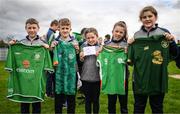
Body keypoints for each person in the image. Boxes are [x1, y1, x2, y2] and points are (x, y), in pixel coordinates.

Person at [127, 6, 179, 114]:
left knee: (157, 108)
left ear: (155, 17)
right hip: (140, 79)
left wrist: (172, 41)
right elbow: (130, 60)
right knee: (138, 108)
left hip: (157, 78)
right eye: (144, 17)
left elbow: (175, 53)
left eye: (150, 16)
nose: (147, 19)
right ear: (141, 19)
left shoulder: (164, 33)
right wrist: (130, 45)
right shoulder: (136, 36)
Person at [6, 18, 53, 113]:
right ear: (26, 29)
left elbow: (49, 57)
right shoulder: (20, 42)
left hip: (36, 80)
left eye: (34, 27)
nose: (32, 30)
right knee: (24, 104)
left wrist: (48, 49)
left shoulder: (42, 43)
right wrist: (10, 45)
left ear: (38, 28)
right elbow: (13, 54)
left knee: (36, 105)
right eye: (29, 28)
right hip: (23, 80)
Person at [99, 21, 129, 114]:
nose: (118, 34)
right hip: (110, 78)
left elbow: (131, 62)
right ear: (112, 31)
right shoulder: (106, 45)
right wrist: (100, 51)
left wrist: (128, 52)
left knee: (123, 104)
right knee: (111, 104)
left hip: (123, 78)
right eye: (116, 31)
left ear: (124, 34)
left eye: (121, 32)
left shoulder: (127, 45)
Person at [52, 18, 79, 114]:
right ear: (59, 29)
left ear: (70, 29)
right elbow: (51, 56)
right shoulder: (55, 42)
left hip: (71, 75)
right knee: (58, 98)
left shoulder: (74, 42)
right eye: (62, 28)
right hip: (58, 74)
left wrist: (77, 50)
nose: (65, 30)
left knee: (71, 98)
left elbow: (79, 58)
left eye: (67, 28)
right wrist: (52, 48)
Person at [79, 27, 101, 114]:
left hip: (97, 78)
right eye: (88, 38)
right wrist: (81, 58)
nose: (90, 39)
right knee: (87, 100)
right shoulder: (83, 47)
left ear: (97, 37)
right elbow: (80, 63)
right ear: (85, 38)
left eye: (92, 37)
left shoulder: (101, 48)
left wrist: (100, 55)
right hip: (86, 78)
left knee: (96, 100)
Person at [45, 19, 59, 98]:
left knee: (50, 75)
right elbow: (50, 48)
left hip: (50, 57)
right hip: (50, 57)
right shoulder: (51, 34)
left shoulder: (50, 32)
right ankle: (48, 93)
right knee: (50, 75)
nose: (57, 29)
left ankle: (49, 92)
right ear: (54, 25)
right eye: (57, 27)